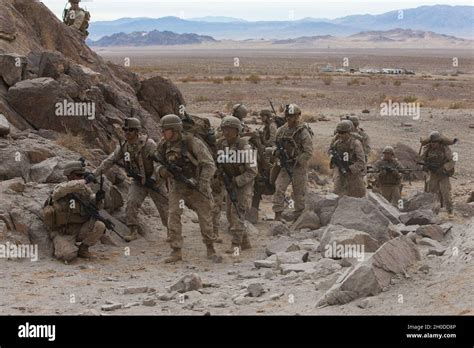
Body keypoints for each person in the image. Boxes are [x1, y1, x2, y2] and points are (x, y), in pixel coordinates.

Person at [155, 114, 221, 263]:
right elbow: (157, 163)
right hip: (178, 186)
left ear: (175, 129)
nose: (163, 133)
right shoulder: (163, 145)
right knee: (173, 214)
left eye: (165, 130)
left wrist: (202, 183)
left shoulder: (192, 142)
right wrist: (162, 171)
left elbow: (209, 164)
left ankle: (210, 248)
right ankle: (176, 250)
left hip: (197, 185)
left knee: (205, 217)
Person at [94, 118, 169, 242]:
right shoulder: (124, 147)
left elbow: (158, 162)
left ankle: (172, 232)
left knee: (164, 206)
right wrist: (94, 174)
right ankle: (132, 231)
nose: (126, 132)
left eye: (130, 130)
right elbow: (109, 161)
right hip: (138, 182)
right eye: (125, 130)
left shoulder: (148, 144)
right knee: (131, 203)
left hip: (155, 181)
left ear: (136, 131)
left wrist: (153, 178)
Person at [43, 161, 105, 263]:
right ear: (69, 175)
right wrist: (84, 181)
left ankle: (83, 249)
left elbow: (96, 205)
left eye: (83, 175)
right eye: (78, 175)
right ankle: (68, 246)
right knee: (67, 256)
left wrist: (99, 199)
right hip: (63, 232)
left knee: (100, 226)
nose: (81, 177)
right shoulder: (60, 188)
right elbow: (67, 188)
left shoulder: (85, 190)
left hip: (80, 229)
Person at [216, 116, 257, 254]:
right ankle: (245, 242)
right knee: (229, 214)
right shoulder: (222, 145)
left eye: (230, 129)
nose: (226, 132)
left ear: (237, 130)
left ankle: (236, 246)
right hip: (230, 182)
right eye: (224, 129)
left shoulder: (244, 147)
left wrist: (237, 180)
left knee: (237, 213)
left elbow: (252, 171)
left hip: (243, 184)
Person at [272, 104, 313, 221]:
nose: (289, 118)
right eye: (287, 115)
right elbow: (276, 146)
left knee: (299, 192)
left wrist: (297, 160)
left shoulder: (302, 131)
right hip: (285, 166)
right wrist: (276, 153)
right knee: (279, 188)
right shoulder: (281, 130)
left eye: (292, 116)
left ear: (298, 116)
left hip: (298, 167)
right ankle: (278, 214)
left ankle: (299, 215)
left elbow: (308, 152)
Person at [421, 131, 455, 218]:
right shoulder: (427, 148)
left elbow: (452, 160)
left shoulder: (444, 148)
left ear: (439, 142)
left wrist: (444, 168)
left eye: (435, 142)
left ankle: (450, 210)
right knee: (432, 192)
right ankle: (433, 211)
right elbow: (422, 159)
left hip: (443, 174)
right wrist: (426, 166)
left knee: (446, 193)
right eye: (432, 142)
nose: (433, 144)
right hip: (433, 174)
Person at [330, 120, 366, 198]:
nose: (340, 135)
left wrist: (349, 169)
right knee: (338, 195)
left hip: (354, 175)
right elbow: (331, 154)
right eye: (339, 132)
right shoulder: (337, 143)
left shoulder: (356, 143)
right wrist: (336, 162)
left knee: (357, 197)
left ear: (348, 132)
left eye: (343, 133)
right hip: (340, 173)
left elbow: (361, 162)